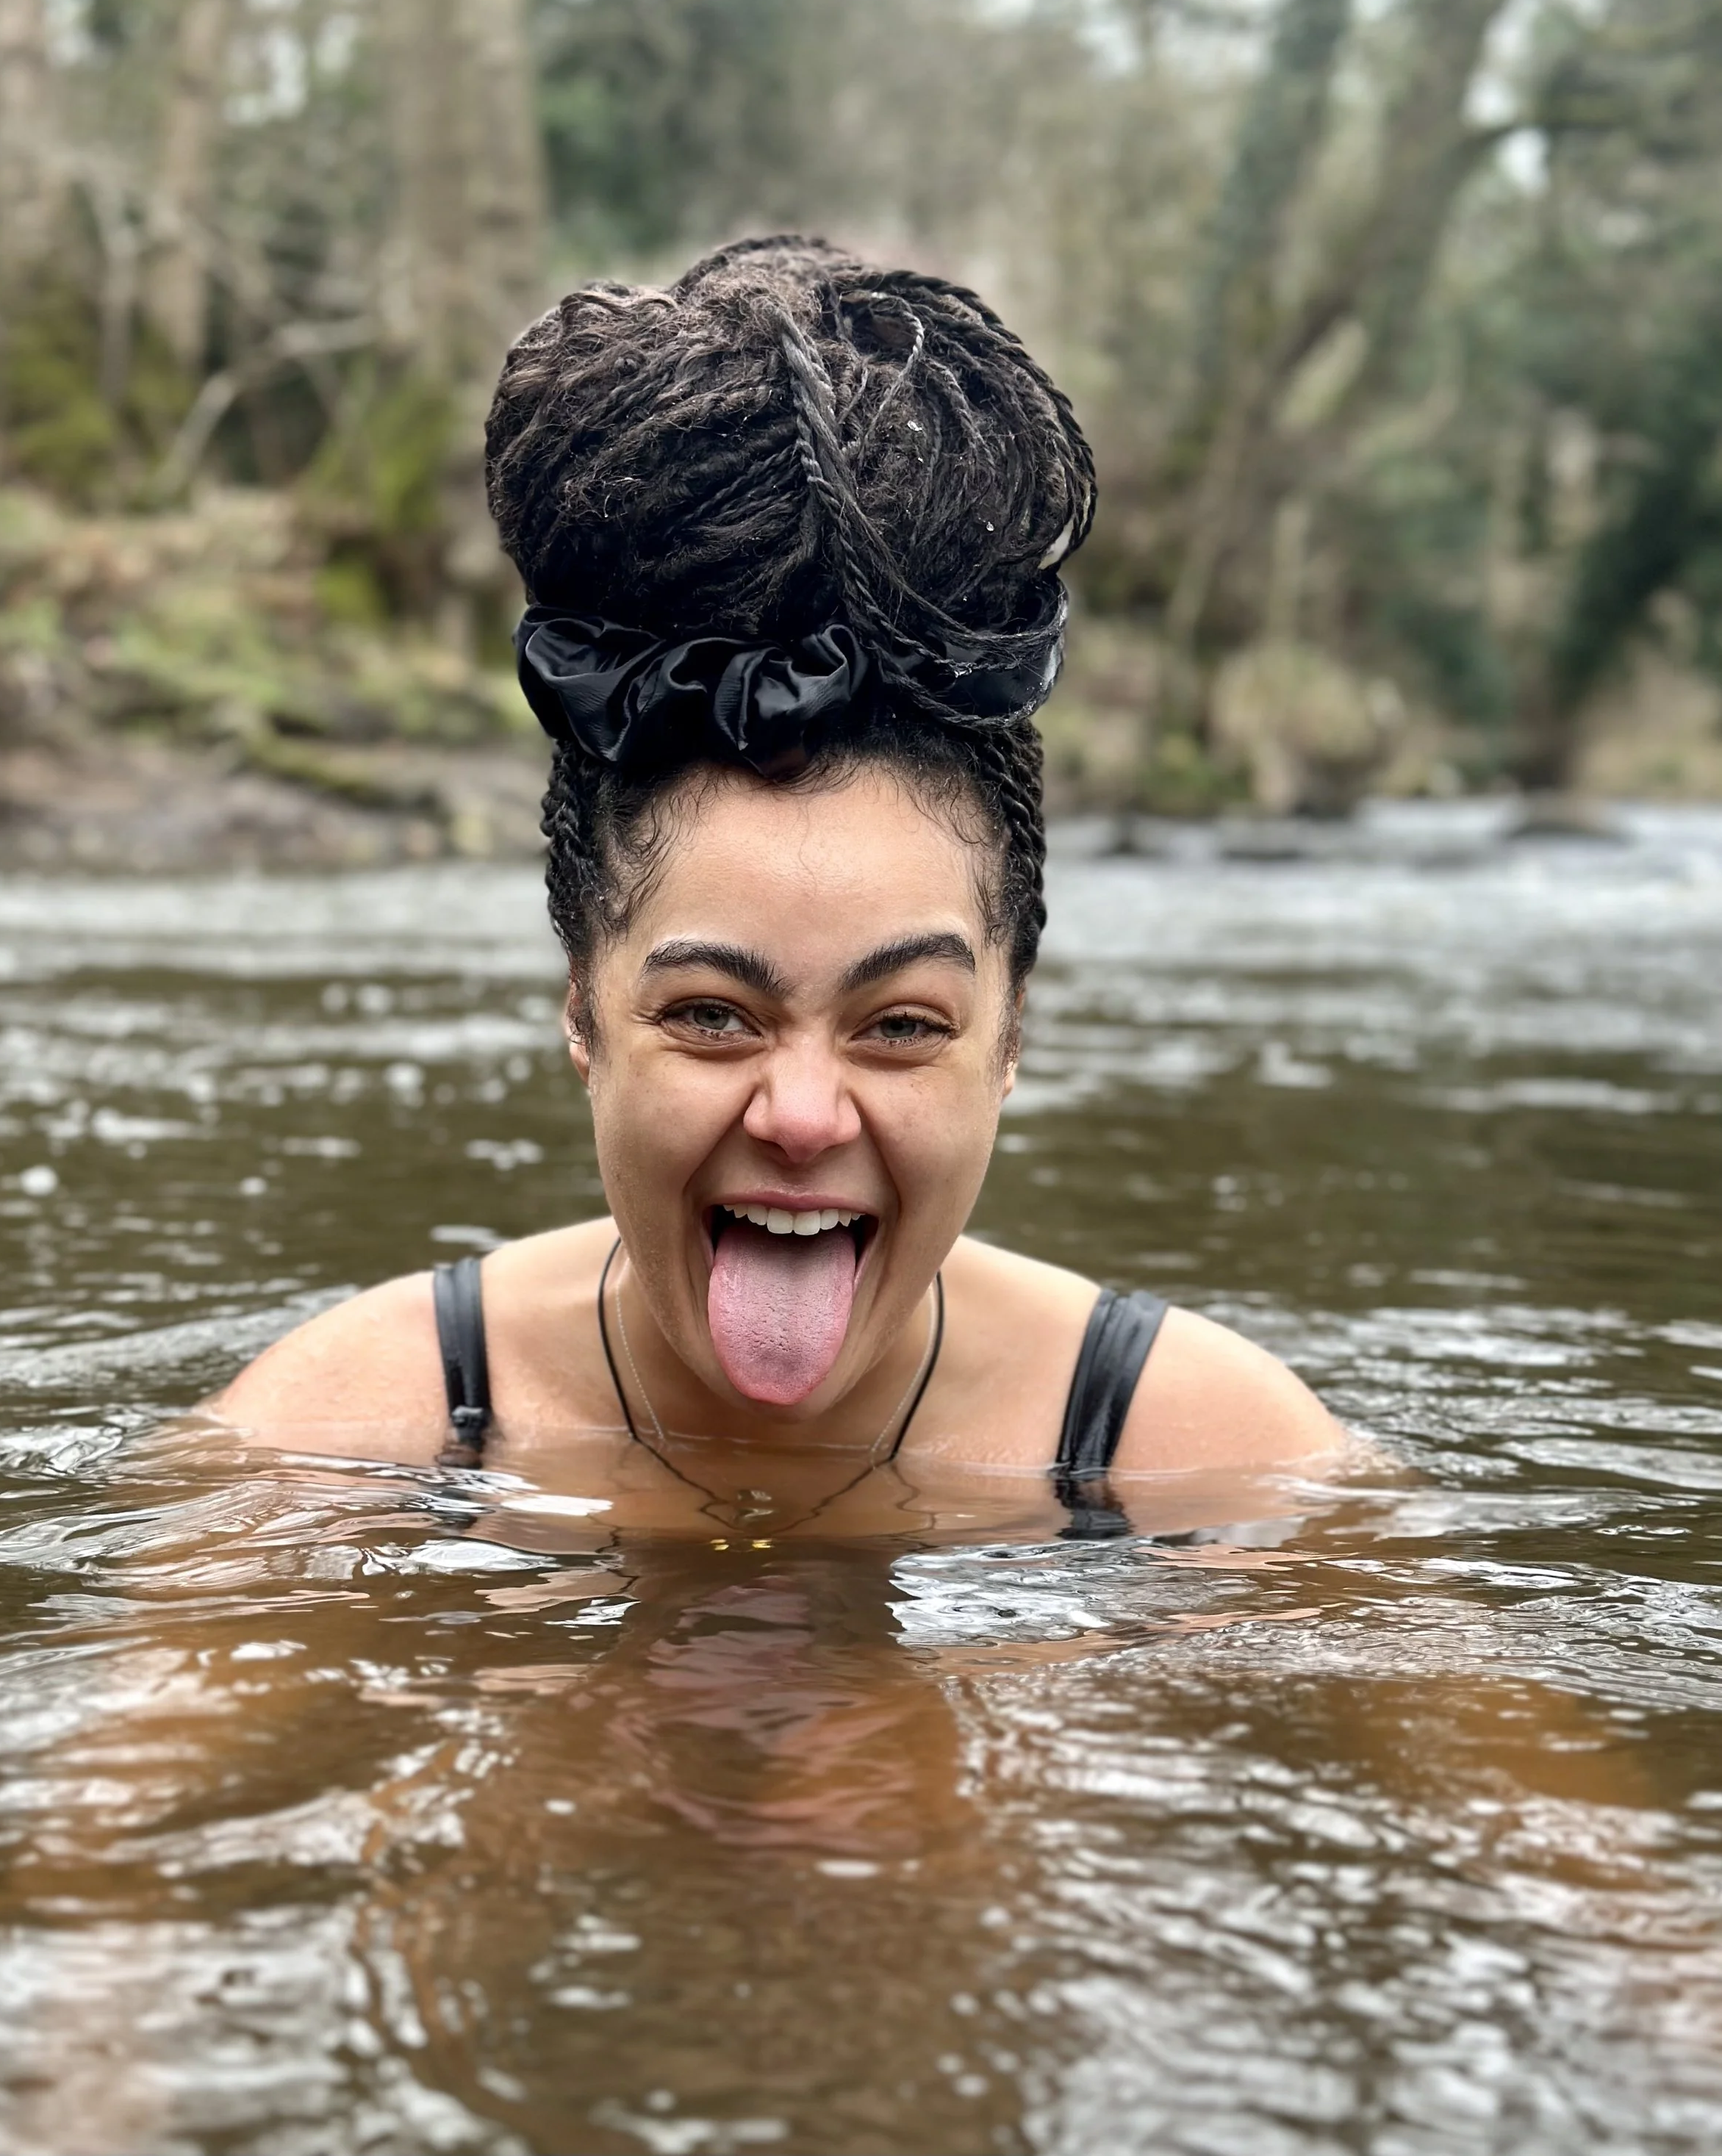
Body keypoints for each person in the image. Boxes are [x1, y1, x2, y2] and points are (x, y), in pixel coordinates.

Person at [213, 236, 1349, 1535]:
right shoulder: (340, 1440)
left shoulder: (1214, 1461)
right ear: (582, 1009)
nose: (803, 1115)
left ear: (1014, 1035)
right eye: (711, 1014)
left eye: (903, 1026)